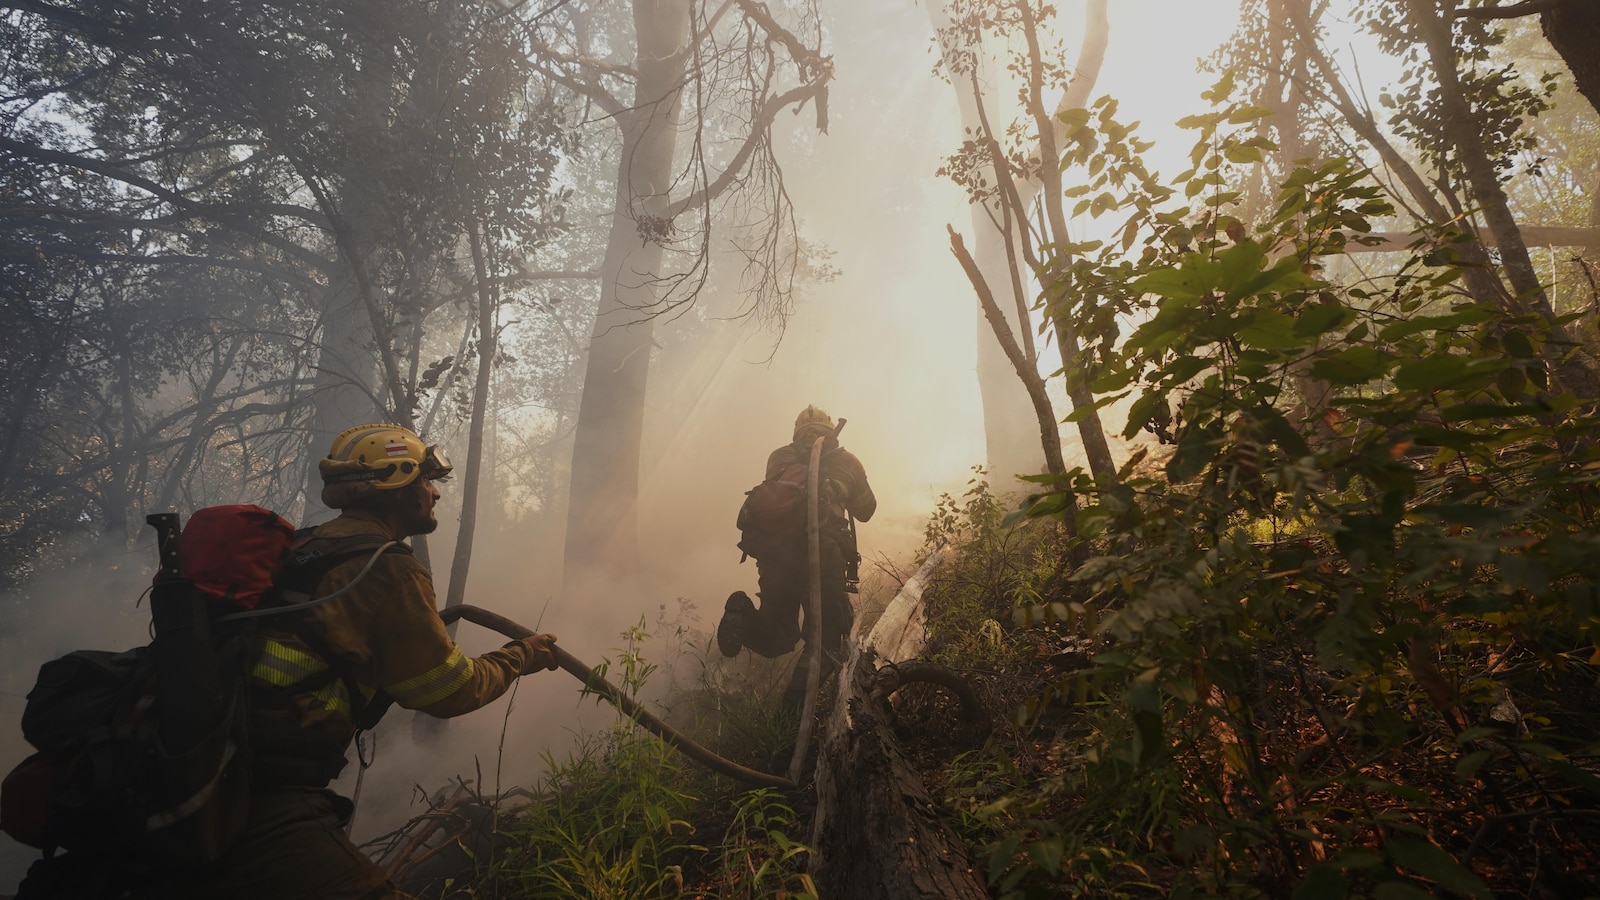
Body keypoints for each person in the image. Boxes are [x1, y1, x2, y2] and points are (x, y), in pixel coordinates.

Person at [17, 423, 560, 900]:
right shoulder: (386, 567)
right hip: (263, 807)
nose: (433, 493)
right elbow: (447, 690)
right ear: (395, 482)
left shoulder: (303, 548)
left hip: (204, 775)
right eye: (423, 479)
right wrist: (522, 657)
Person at [717, 406, 875, 681]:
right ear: (829, 427)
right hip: (823, 553)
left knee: (776, 636)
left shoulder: (780, 457)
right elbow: (866, 510)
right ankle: (790, 717)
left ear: (796, 431)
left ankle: (742, 614)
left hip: (775, 553)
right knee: (827, 641)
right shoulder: (847, 460)